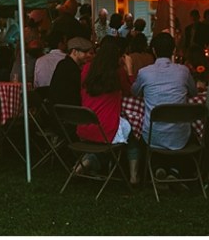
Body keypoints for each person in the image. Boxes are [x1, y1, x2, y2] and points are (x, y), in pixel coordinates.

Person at [78, 36, 141, 183]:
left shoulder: (87, 69)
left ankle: (88, 161)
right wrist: (130, 71)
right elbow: (130, 91)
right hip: (107, 127)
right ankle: (133, 175)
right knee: (134, 135)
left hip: (84, 126)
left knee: (104, 144)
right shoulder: (117, 72)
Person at [132, 32, 197, 152]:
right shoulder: (183, 71)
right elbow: (194, 92)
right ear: (173, 50)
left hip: (152, 136)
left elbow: (134, 93)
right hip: (180, 137)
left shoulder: (144, 72)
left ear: (154, 50)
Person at [49, 36, 94, 106]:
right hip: (71, 110)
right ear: (74, 52)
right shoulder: (70, 68)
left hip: (62, 110)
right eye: (85, 52)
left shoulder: (64, 64)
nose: (88, 55)